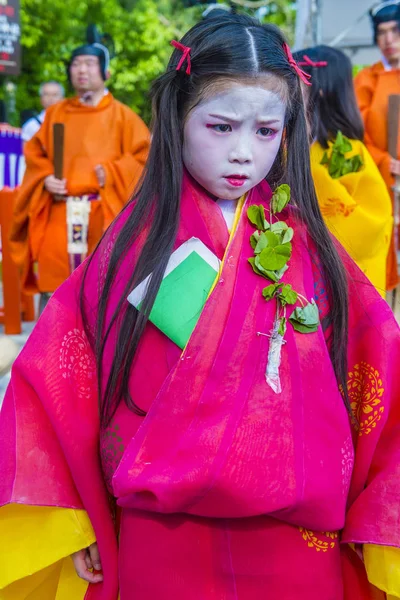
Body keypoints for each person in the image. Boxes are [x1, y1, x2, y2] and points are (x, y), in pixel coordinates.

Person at [1, 14, 400, 600]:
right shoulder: (133, 244)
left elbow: (378, 364)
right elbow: (53, 381)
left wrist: (376, 509)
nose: (243, 154)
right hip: (162, 530)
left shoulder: (307, 240)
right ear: (176, 118)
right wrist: (75, 512)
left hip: (295, 532)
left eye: (267, 131)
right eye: (220, 125)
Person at [9, 37, 150, 313]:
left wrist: (113, 172)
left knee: (104, 288)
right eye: (76, 64)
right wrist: (46, 177)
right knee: (54, 290)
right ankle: (49, 352)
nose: (81, 70)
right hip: (60, 213)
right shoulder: (57, 113)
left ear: (106, 73)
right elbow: (36, 153)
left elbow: (144, 159)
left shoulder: (123, 117)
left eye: (89, 64)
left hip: (103, 212)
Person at [294, 45, 392, 297]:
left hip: (330, 275)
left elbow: (373, 219)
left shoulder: (346, 151)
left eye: (296, 78)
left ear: (320, 89)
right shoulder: (290, 141)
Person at [354, 0, 400, 292]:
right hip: (384, 181)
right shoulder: (366, 80)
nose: (388, 41)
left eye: (395, 31)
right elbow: (356, 135)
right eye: (381, 33)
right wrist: (385, 160)